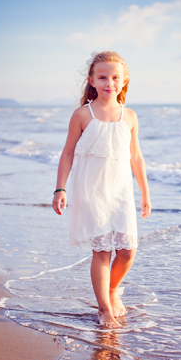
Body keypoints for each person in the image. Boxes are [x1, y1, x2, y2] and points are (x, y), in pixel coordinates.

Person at [52, 51, 151, 328]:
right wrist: (60, 189)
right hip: (90, 190)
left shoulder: (129, 116)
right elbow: (68, 154)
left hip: (120, 192)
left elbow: (136, 157)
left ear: (124, 80)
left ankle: (111, 288)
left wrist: (145, 192)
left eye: (116, 77)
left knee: (128, 250)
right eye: (103, 77)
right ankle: (105, 309)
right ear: (92, 80)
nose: (110, 82)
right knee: (103, 251)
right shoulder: (83, 114)